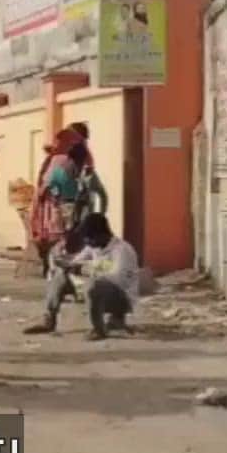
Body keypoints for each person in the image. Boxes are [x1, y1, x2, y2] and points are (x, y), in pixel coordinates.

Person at [27, 213, 139, 340]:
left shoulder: (122, 250)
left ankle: (98, 329)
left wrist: (87, 271)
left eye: (90, 238)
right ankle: (49, 319)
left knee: (94, 285)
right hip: (93, 290)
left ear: (102, 234)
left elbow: (118, 279)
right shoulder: (93, 247)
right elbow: (77, 261)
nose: (87, 242)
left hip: (121, 298)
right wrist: (64, 263)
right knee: (60, 276)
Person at [29, 127, 87, 277]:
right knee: (61, 234)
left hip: (52, 202)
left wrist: (44, 195)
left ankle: (52, 265)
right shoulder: (69, 158)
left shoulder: (58, 158)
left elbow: (49, 181)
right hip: (64, 202)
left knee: (53, 234)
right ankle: (61, 266)